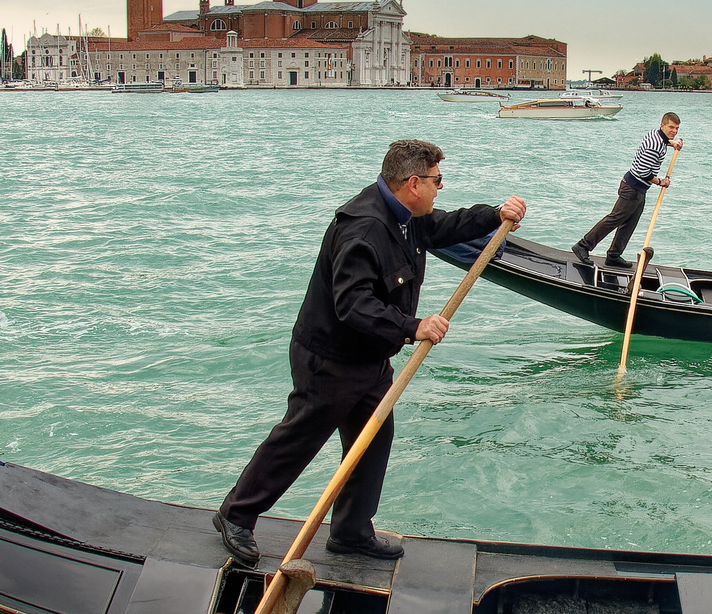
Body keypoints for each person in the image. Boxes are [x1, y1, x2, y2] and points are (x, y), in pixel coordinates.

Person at [210, 140, 527, 565]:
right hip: (330, 359)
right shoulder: (363, 227)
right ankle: (236, 515)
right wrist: (414, 327)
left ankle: (351, 532)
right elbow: (353, 303)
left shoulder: (407, 216)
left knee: (372, 440)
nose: (440, 188)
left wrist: (494, 215)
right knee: (300, 438)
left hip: (370, 356)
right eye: (436, 181)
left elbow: (445, 226)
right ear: (413, 183)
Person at [572, 112, 684, 269]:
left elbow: (663, 142)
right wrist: (661, 182)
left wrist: (673, 143)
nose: (674, 131)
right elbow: (645, 173)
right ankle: (583, 246)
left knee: (630, 223)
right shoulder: (655, 145)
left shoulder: (656, 135)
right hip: (632, 188)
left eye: (676, 128)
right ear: (662, 125)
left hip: (639, 189)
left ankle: (614, 255)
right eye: (671, 127)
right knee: (614, 219)